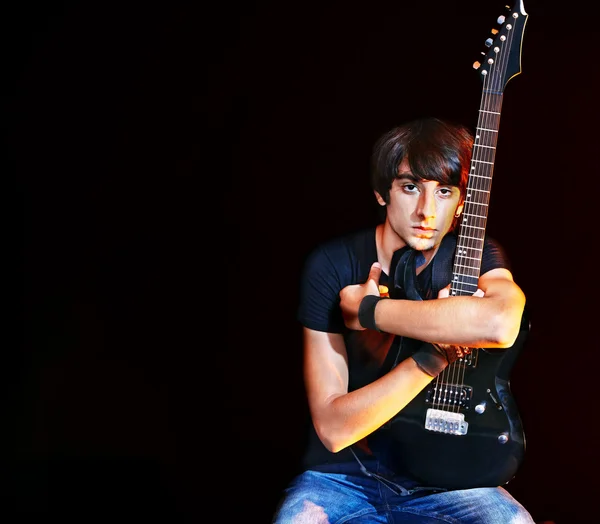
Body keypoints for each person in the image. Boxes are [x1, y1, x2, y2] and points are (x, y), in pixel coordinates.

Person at [271, 117, 534, 523]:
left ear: (462, 202)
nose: (427, 211)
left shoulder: (477, 256)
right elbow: (334, 428)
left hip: (451, 485)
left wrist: (370, 312)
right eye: (410, 187)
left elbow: (499, 324)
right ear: (382, 193)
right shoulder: (334, 264)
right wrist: (434, 355)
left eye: (444, 192)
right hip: (343, 479)